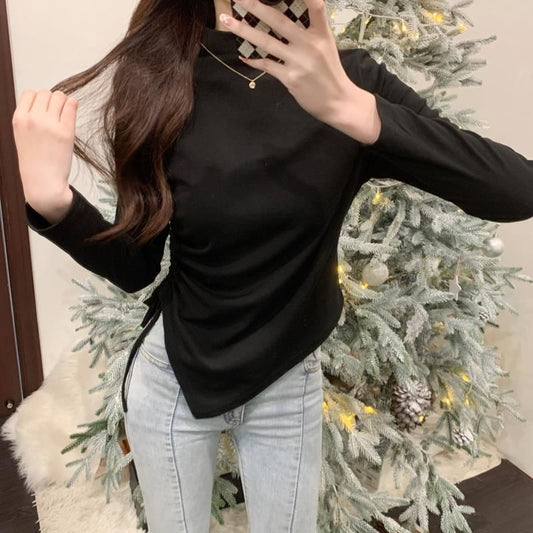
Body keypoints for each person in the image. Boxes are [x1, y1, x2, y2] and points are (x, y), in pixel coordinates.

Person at [12, 0, 533, 532]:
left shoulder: (349, 80)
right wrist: (55, 204)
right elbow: (137, 267)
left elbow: (517, 189)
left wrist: (356, 109)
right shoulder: (161, 76)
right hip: (173, 379)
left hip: (286, 382)